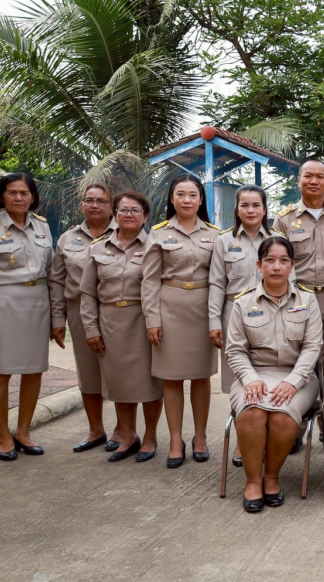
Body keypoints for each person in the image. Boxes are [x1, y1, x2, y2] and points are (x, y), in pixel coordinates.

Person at [223, 236, 323, 512]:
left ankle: (271, 477)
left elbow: (313, 347)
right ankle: (253, 481)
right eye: (269, 260)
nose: (276, 267)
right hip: (253, 375)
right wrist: (250, 379)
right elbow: (235, 350)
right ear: (259, 265)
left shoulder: (308, 300)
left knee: (282, 414)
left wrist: (293, 382)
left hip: (298, 377)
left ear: (292, 266)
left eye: (283, 261)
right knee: (252, 412)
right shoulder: (244, 303)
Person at [0, 173, 59, 461]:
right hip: (1, 308)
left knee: (33, 370)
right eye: (12, 192)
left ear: (33, 198)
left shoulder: (42, 226)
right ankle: (3, 435)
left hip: (37, 306)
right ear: (1, 197)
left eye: (24, 193)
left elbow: (53, 273)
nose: (19, 198)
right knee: (1, 371)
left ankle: (23, 432)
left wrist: (57, 318)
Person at [79, 191, 163, 463]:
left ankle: (150, 437)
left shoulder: (156, 245)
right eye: (123, 210)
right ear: (115, 214)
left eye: (135, 210)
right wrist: (91, 329)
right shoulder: (97, 248)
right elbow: (88, 293)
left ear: (145, 216)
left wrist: (157, 323)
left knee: (150, 384)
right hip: (111, 323)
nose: (129, 214)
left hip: (144, 322)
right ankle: (127, 436)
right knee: (119, 384)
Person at [142, 175, 219, 468]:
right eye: (181, 194)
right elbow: (149, 281)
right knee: (171, 378)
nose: (187, 200)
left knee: (201, 376)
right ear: (172, 199)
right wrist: (152, 319)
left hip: (203, 310)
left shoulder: (215, 234)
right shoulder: (158, 233)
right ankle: (176, 440)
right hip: (169, 310)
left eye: (193, 195)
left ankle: (200, 437)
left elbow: (220, 279)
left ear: (201, 200)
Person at [209, 185, 276, 466]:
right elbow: (216, 283)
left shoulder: (277, 239)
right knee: (239, 379)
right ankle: (243, 441)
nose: (250, 210)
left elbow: (291, 280)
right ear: (237, 209)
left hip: (271, 315)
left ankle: (268, 439)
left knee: (268, 375)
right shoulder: (224, 241)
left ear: (264, 209)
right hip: (233, 316)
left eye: (256, 205)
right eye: (244, 205)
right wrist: (214, 320)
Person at [50, 183, 117, 453]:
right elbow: (57, 281)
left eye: (102, 201)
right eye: (89, 200)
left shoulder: (126, 232)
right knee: (88, 372)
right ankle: (95, 430)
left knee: (122, 371)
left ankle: (124, 430)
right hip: (78, 311)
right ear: (81, 205)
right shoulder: (67, 239)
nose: (95, 205)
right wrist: (58, 319)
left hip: (117, 311)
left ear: (111, 206)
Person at [272, 158, 324, 353]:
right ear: (298, 181)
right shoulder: (284, 219)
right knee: (298, 355)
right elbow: (276, 264)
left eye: (320, 176)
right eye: (308, 176)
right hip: (297, 297)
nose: (314, 181)